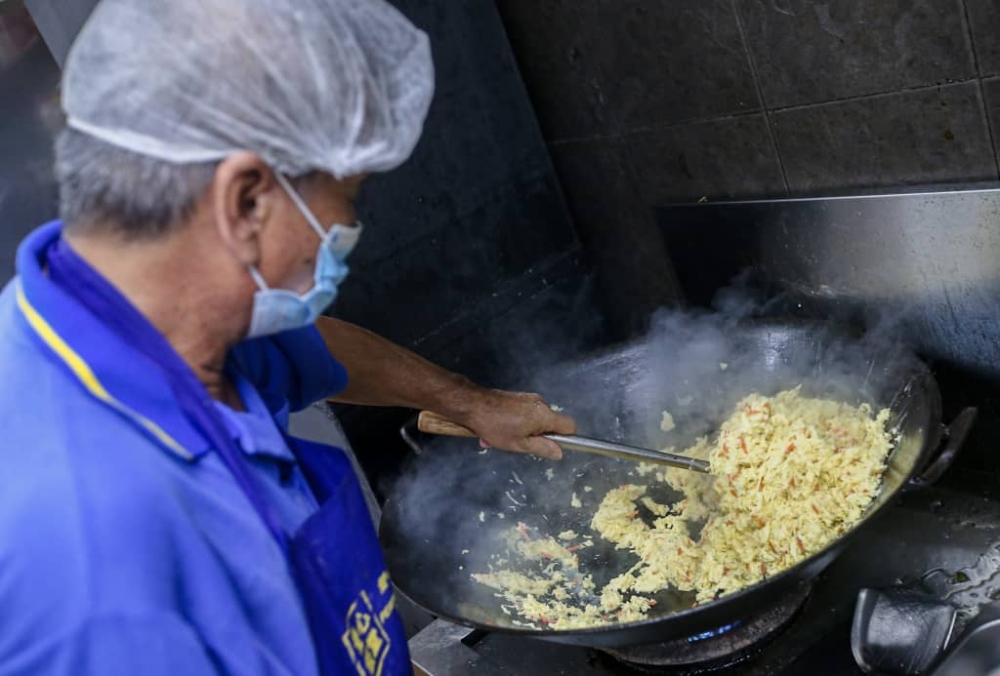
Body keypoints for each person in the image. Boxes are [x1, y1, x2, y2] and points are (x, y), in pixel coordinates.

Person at [0, 0, 576, 674]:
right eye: (348, 197)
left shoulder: (147, 307)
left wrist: (469, 403)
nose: (348, 230)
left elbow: (307, 343)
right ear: (244, 201)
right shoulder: (100, 576)